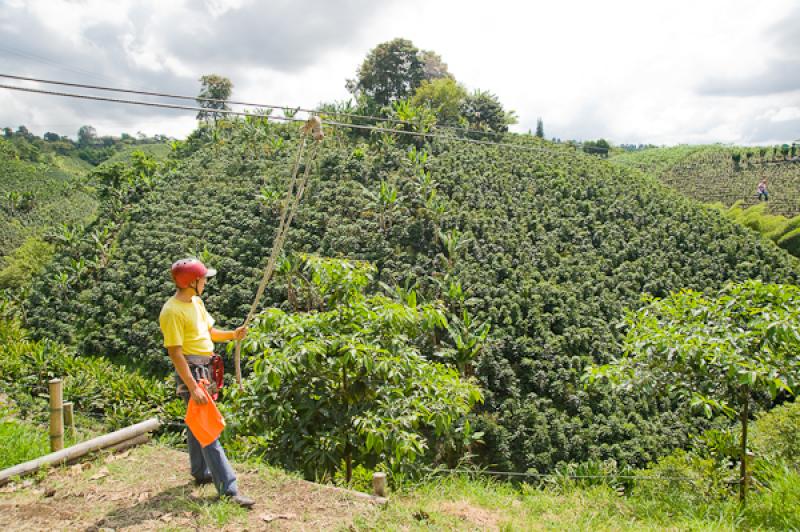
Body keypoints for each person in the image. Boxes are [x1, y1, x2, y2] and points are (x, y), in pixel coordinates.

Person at [159, 258, 255, 509]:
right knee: (207, 426)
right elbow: (176, 353)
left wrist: (233, 335)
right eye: (203, 279)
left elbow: (209, 333)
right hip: (192, 371)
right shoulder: (172, 312)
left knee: (196, 421)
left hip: (204, 368)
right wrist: (192, 387)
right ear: (192, 282)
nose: (205, 282)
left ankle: (200, 472)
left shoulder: (196, 303)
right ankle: (229, 489)